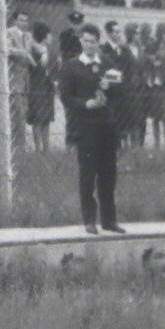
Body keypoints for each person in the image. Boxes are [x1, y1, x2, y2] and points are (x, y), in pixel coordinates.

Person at [59, 23, 125, 234]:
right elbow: (65, 96)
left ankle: (109, 221)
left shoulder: (107, 62)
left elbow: (120, 91)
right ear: (81, 41)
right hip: (85, 127)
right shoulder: (71, 66)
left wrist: (110, 87)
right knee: (88, 174)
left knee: (108, 173)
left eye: (93, 42)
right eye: (86, 41)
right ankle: (89, 220)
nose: (90, 45)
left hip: (106, 126)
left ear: (98, 42)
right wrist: (85, 104)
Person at [5, 11, 34, 152]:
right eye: (21, 20)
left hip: (25, 78)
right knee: (17, 111)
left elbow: (35, 47)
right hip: (13, 77)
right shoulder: (9, 33)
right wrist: (23, 53)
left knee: (24, 110)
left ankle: (21, 145)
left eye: (26, 20)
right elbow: (7, 49)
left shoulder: (28, 35)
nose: (24, 23)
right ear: (15, 20)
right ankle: (16, 145)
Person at [58, 12, 85, 147]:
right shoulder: (65, 36)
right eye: (74, 23)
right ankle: (70, 142)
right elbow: (66, 55)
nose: (76, 26)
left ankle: (82, 141)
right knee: (71, 112)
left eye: (78, 23)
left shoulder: (85, 36)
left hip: (83, 76)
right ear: (70, 23)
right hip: (71, 76)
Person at [27, 22, 55, 153]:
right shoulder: (32, 51)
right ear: (44, 36)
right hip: (36, 86)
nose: (51, 37)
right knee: (37, 119)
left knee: (46, 119)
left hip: (47, 87)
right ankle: (38, 148)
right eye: (49, 35)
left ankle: (46, 148)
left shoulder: (49, 51)